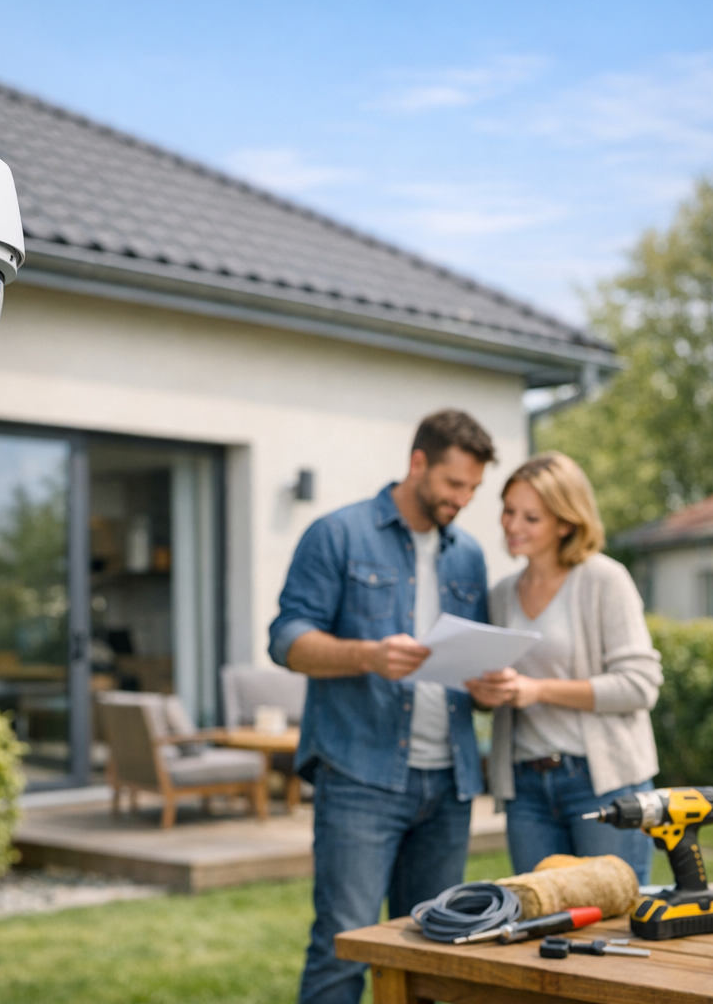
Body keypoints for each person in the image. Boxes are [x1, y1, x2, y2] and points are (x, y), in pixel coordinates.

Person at [269, 409, 496, 1004]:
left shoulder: (469, 555)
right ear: (418, 463)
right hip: (361, 777)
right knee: (344, 946)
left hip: (448, 784)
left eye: (473, 488)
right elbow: (287, 640)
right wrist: (368, 655)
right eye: (454, 484)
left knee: (437, 952)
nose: (463, 500)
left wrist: (487, 688)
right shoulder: (338, 534)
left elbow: (472, 658)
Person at [467, 452, 663, 885]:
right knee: (543, 926)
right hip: (527, 789)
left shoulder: (603, 581)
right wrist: (486, 694)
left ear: (566, 523)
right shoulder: (501, 594)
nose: (513, 526)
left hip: (602, 782)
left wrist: (539, 690)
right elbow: (503, 687)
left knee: (613, 922)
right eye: (509, 511)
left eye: (531, 517)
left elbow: (640, 686)